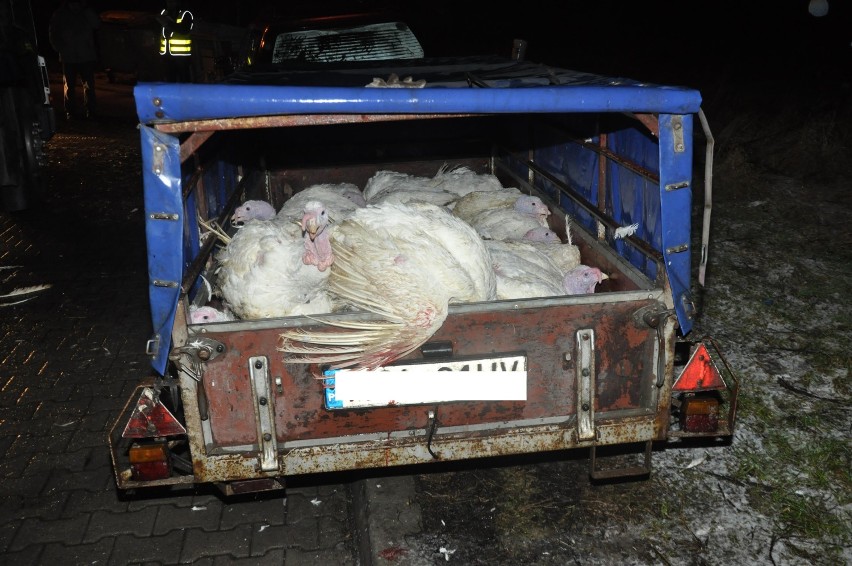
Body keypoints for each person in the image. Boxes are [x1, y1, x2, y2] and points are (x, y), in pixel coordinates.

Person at [48, 0, 100, 120]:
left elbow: (97, 24)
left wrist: (87, 10)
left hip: (85, 55)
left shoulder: (86, 12)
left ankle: (91, 111)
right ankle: (71, 112)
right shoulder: (61, 14)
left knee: (89, 85)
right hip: (69, 56)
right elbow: (53, 32)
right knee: (69, 86)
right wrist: (59, 48)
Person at [156, 0, 194, 82]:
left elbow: (185, 30)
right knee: (169, 81)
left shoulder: (186, 14)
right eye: (168, 1)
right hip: (166, 55)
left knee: (184, 82)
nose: (170, 3)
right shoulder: (164, 13)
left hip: (181, 57)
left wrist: (168, 24)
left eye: (172, 1)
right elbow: (157, 30)